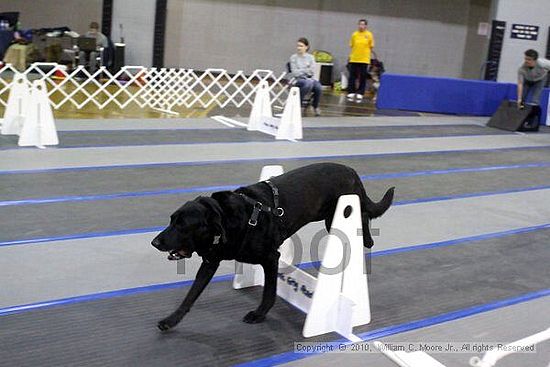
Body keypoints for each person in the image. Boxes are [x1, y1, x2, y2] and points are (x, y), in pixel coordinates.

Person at [289, 37, 322, 116]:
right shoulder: (293, 57)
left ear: (306, 47)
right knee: (307, 84)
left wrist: (301, 70)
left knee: (318, 86)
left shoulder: (311, 57)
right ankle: (298, 105)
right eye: (298, 46)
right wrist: (305, 70)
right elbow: (295, 73)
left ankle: (315, 106)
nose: (299, 48)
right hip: (298, 80)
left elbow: (312, 70)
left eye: (301, 46)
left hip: (310, 78)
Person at [347, 19, 375, 102]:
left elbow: (371, 46)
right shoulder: (354, 34)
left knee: (363, 76)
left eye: (363, 24)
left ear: (366, 26)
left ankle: (360, 92)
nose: (361, 26)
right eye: (360, 24)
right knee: (352, 76)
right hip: (354, 58)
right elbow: (352, 45)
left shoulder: (369, 35)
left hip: (364, 59)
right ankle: (351, 91)